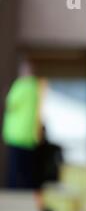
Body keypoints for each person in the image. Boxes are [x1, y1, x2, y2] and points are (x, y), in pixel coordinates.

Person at [2, 58, 43, 190]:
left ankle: (15, 192)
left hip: (17, 134)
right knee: (27, 169)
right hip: (29, 135)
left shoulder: (20, 85)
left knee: (15, 169)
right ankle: (27, 191)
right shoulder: (35, 87)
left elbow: (10, 104)